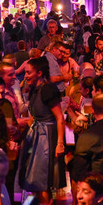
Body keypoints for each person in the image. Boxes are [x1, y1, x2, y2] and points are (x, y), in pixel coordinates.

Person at [17, 56, 66, 196]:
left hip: (47, 138)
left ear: (39, 73)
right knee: (35, 180)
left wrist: (60, 144)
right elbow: (32, 118)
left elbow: (59, 117)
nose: (26, 76)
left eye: (28, 72)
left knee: (42, 180)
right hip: (37, 136)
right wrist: (21, 137)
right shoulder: (34, 90)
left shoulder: (47, 89)